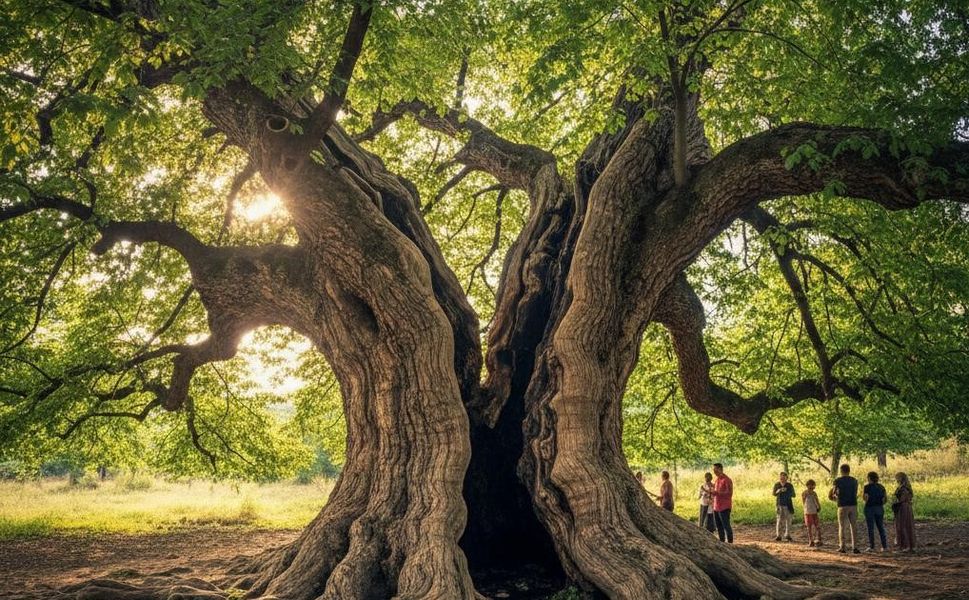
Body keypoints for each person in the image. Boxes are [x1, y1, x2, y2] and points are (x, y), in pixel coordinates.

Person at [830, 463, 860, 554]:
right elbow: (855, 492)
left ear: (841, 471)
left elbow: (834, 492)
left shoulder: (837, 480)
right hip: (853, 504)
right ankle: (855, 547)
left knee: (842, 526)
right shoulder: (854, 480)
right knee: (854, 526)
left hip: (842, 505)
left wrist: (835, 496)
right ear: (849, 470)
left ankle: (842, 547)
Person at [863, 471, 889, 552]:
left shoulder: (867, 487)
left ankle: (872, 547)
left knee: (870, 528)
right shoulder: (881, 487)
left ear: (869, 478)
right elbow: (885, 499)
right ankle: (884, 547)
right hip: (879, 508)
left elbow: (865, 498)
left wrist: (865, 499)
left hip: (869, 508)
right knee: (881, 527)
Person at [893, 472, 916, 552]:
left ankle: (905, 546)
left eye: (897, 477)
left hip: (903, 507)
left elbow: (902, 499)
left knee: (902, 526)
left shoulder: (903, 488)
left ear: (900, 478)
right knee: (906, 525)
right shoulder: (906, 487)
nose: (896, 479)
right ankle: (908, 545)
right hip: (906, 507)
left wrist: (895, 503)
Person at [711, 463, 733, 543]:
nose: (714, 471)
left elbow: (729, 493)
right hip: (716, 506)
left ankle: (730, 543)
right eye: (713, 470)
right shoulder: (717, 480)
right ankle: (722, 542)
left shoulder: (727, 480)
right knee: (719, 526)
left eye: (715, 469)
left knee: (726, 526)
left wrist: (718, 493)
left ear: (720, 469)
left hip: (724, 506)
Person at [772, 472, 795, 541]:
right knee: (779, 520)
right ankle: (778, 535)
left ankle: (787, 535)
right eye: (781, 478)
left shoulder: (789, 485)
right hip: (779, 504)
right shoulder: (777, 485)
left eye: (784, 478)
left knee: (788, 520)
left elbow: (793, 495)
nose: (782, 479)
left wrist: (787, 491)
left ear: (786, 478)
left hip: (788, 505)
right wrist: (778, 491)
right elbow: (774, 494)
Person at [802, 479, 823, 547]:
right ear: (807, 486)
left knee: (816, 526)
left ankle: (818, 539)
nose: (812, 487)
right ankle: (811, 540)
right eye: (810, 485)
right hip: (809, 512)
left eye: (813, 485)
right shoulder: (805, 493)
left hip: (813, 511)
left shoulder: (813, 493)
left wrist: (818, 507)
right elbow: (804, 502)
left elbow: (816, 501)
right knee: (810, 527)